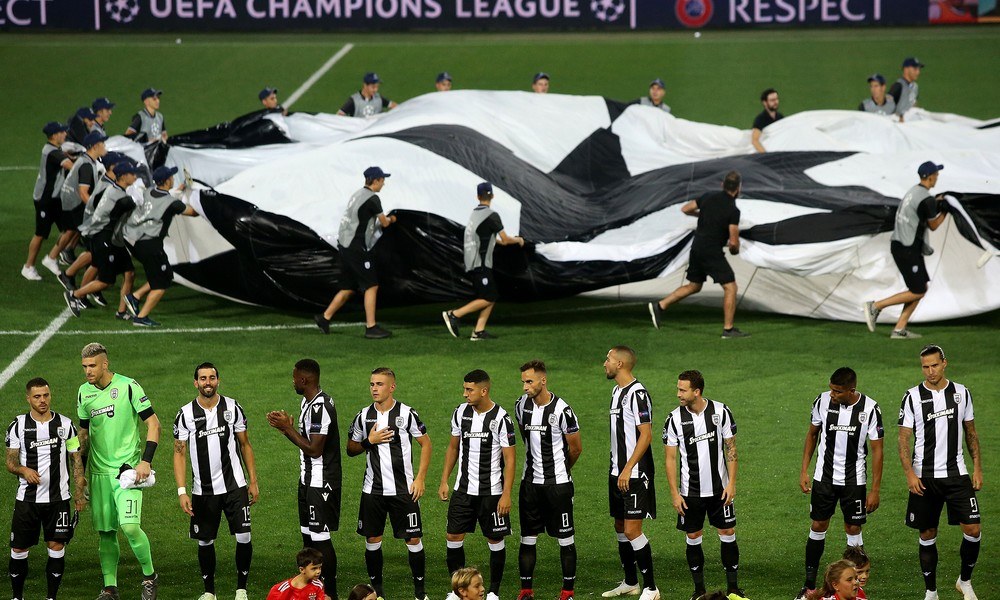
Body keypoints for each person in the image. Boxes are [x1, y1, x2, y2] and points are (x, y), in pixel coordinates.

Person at [75, 342, 160, 600]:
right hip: (99, 475)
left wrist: (145, 461)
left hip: (127, 473)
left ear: (105, 364)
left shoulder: (128, 386)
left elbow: (154, 424)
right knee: (106, 532)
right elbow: (83, 435)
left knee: (130, 527)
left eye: (92, 366)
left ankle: (149, 577)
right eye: (84, 367)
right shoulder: (83, 393)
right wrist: (81, 473)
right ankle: (110, 588)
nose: (88, 371)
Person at [898, 345, 982, 600]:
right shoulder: (912, 396)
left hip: (957, 474)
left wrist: (977, 467)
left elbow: (971, 432)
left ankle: (964, 582)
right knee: (927, 533)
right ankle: (931, 591)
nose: (930, 371)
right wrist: (910, 475)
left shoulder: (961, 393)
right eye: (925, 366)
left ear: (945, 363)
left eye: (934, 365)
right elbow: (903, 440)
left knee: (973, 529)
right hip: (925, 476)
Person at [795, 368, 884, 600]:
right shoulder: (822, 401)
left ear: (851, 391)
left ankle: (856, 587)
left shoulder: (870, 409)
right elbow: (812, 434)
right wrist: (804, 470)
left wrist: (874, 490)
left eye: (837, 391)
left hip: (854, 480)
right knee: (818, 525)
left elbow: (877, 450)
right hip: (823, 478)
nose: (832, 394)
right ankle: (808, 586)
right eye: (831, 389)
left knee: (853, 528)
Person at [174, 362, 259, 600]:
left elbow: (245, 445)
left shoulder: (233, 407)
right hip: (204, 490)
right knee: (205, 540)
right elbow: (179, 452)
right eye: (203, 378)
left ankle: (241, 589)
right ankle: (209, 592)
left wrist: (253, 481)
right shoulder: (185, 414)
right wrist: (182, 491)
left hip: (235, 486)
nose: (207, 382)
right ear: (196, 383)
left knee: (244, 536)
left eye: (212, 378)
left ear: (218, 380)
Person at [347, 368, 432, 600]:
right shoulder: (363, 416)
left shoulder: (406, 413)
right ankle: (378, 592)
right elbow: (350, 449)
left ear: (392, 387)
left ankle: (419, 592)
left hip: (403, 490)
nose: (374, 388)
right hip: (372, 490)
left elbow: (426, 444)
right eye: (372, 384)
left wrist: (420, 478)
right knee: (372, 538)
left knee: (413, 538)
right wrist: (369, 441)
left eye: (380, 384)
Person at [663, 370, 746, 600]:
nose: (678, 393)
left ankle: (733, 588)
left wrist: (732, 484)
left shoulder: (720, 411)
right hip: (690, 492)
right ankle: (699, 590)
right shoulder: (674, 419)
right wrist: (674, 493)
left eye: (682, 390)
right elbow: (670, 459)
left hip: (720, 490)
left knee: (728, 532)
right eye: (678, 388)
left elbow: (731, 450)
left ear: (696, 391)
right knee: (693, 535)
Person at [266, 359, 343, 599]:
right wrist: (287, 428)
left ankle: (330, 593)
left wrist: (287, 429)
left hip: (322, 482)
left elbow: (314, 449)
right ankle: (312, 590)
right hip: (308, 480)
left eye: (295, 377)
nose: (293, 381)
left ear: (304, 380)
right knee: (308, 537)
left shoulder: (321, 407)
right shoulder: (307, 402)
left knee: (321, 538)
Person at [438, 370, 516, 600]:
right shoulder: (460, 413)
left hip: (492, 493)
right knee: (453, 536)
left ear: (484, 391)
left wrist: (506, 494)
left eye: (469, 390)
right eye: (464, 389)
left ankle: (493, 591)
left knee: (495, 538)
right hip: (463, 490)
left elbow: (510, 459)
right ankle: (457, 591)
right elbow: (453, 448)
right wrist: (444, 479)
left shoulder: (501, 418)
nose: (465, 394)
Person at [5, 377, 85, 600]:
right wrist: (23, 470)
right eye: (37, 396)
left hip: (58, 499)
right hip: (27, 500)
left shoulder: (66, 425)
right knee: (19, 550)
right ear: (28, 398)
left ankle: (51, 597)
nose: (42, 400)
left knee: (57, 546)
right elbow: (10, 462)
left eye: (46, 395)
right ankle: (17, 596)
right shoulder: (18, 426)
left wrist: (79, 492)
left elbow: (76, 460)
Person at [647, 170, 747, 338]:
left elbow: (686, 209)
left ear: (722, 185)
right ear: (738, 189)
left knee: (694, 285)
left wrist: (703, 214)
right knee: (730, 287)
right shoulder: (733, 210)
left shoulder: (708, 196)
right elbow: (734, 242)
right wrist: (734, 250)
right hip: (711, 250)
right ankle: (728, 329)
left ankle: (660, 306)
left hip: (697, 247)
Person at [514, 360, 582, 600]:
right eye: (523, 382)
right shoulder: (521, 406)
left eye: (529, 381)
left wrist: (561, 471)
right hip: (530, 484)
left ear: (543, 380)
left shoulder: (562, 410)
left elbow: (575, 448)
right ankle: (526, 591)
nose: (525, 387)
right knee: (527, 538)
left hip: (558, 486)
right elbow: (525, 438)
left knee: (565, 539)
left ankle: (567, 593)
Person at [862, 161, 948, 339]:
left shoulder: (914, 192)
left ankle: (899, 329)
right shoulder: (926, 199)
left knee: (920, 288)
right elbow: (934, 225)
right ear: (931, 176)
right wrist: (946, 211)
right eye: (936, 175)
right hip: (908, 248)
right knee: (917, 290)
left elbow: (921, 209)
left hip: (903, 246)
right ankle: (876, 306)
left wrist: (936, 203)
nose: (937, 178)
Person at [601, 346, 659, 600]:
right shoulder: (616, 392)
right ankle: (631, 582)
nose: (605, 363)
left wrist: (627, 468)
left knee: (633, 529)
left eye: (609, 359)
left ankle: (651, 588)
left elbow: (646, 435)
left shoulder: (638, 394)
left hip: (634, 473)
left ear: (621, 364)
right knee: (620, 526)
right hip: (617, 471)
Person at [314, 166, 396, 339]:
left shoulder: (357, 194)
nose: (384, 184)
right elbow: (385, 222)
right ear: (376, 180)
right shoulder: (373, 198)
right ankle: (371, 327)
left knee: (348, 287)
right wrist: (392, 218)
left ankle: (324, 317)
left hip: (345, 245)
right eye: (382, 180)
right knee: (371, 285)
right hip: (356, 247)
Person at [442, 182, 524, 341]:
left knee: (491, 295)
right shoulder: (492, 215)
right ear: (492, 196)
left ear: (478, 197)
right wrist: (519, 240)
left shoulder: (474, 215)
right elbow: (505, 240)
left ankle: (478, 331)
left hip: (472, 261)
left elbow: (486, 238)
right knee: (488, 297)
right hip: (480, 262)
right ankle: (454, 314)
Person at [121, 165, 199, 327]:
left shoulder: (149, 191)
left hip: (135, 241)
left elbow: (163, 198)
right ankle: (141, 318)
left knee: (165, 274)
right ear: (166, 181)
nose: (173, 178)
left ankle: (134, 297)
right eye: (171, 176)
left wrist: (180, 189)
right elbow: (193, 212)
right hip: (150, 245)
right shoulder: (171, 203)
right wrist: (196, 197)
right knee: (161, 284)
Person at [63, 161, 139, 320]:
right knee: (106, 280)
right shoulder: (120, 197)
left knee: (129, 272)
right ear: (124, 177)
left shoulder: (113, 189)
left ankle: (122, 312)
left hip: (111, 238)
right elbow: (132, 206)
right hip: (106, 239)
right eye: (132, 174)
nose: (135, 176)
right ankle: (74, 295)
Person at [23, 121, 74, 282]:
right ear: (54, 135)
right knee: (40, 234)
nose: (65, 134)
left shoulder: (55, 150)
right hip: (45, 200)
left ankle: (51, 258)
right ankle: (28, 267)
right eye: (62, 132)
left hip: (55, 198)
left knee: (69, 228)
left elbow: (67, 157)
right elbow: (70, 166)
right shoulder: (51, 152)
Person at [59, 131, 107, 270]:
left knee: (92, 246)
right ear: (94, 146)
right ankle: (71, 275)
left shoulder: (87, 160)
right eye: (102, 143)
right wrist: (96, 211)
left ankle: (70, 261)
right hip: (78, 207)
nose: (105, 146)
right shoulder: (86, 165)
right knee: (93, 246)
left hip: (73, 205)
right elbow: (83, 193)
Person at [751, 88, 783, 153]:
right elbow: (755, 140)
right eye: (772, 100)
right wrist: (766, 155)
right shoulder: (761, 119)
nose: (776, 102)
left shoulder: (780, 117)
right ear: (765, 103)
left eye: (777, 99)